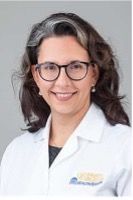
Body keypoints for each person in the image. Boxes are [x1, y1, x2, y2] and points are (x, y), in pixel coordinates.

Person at [0, 12, 131, 197]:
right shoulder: (17, 152)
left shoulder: (126, 147)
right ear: (36, 75)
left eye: (75, 66)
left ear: (94, 73)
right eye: (50, 67)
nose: (62, 82)